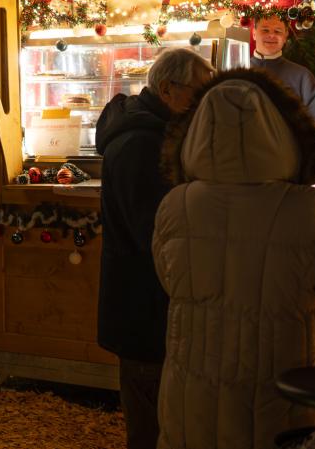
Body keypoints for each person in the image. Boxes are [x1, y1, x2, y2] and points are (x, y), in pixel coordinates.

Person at [152, 69, 315, 449]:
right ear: (284, 132)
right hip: (279, 398)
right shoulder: (309, 209)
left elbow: (169, 278)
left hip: (189, 395)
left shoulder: (175, 205)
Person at [95, 48, 214, 449]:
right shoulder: (140, 145)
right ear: (167, 89)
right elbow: (155, 235)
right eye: (199, 94)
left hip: (149, 303)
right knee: (152, 421)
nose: (204, 105)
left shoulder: (153, 134)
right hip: (144, 306)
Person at [250, 14, 315, 137]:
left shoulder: (303, 76)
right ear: (254, 33)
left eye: (278, 31)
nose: (271, 35)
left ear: (285, 36)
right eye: (265, 30)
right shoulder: (235, 71)